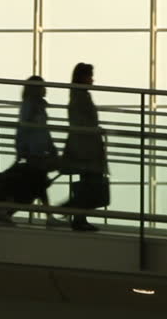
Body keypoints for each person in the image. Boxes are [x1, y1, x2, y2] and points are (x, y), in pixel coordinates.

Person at [59, 63, 108, 232]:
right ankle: (76, 212)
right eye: (89, 76)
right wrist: (95, 130)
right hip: (86, 148)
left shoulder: (78, 95)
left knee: (88, 182)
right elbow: (82, 122)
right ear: (82, 77)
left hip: (84, 146)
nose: (92, 79)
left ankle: (77, 214)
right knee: (91, 183)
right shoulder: (81, 97)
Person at [14, 75, 67, 227]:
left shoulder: (33, 105)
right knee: (38, 184)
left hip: (36, 150)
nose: (46, 89)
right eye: (43, 86)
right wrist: (24, 149)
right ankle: (49, 215)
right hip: (34, 151)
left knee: (38, 184)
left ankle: (8, 210)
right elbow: (29, 129)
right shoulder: (32, 106)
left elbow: (37, 129)